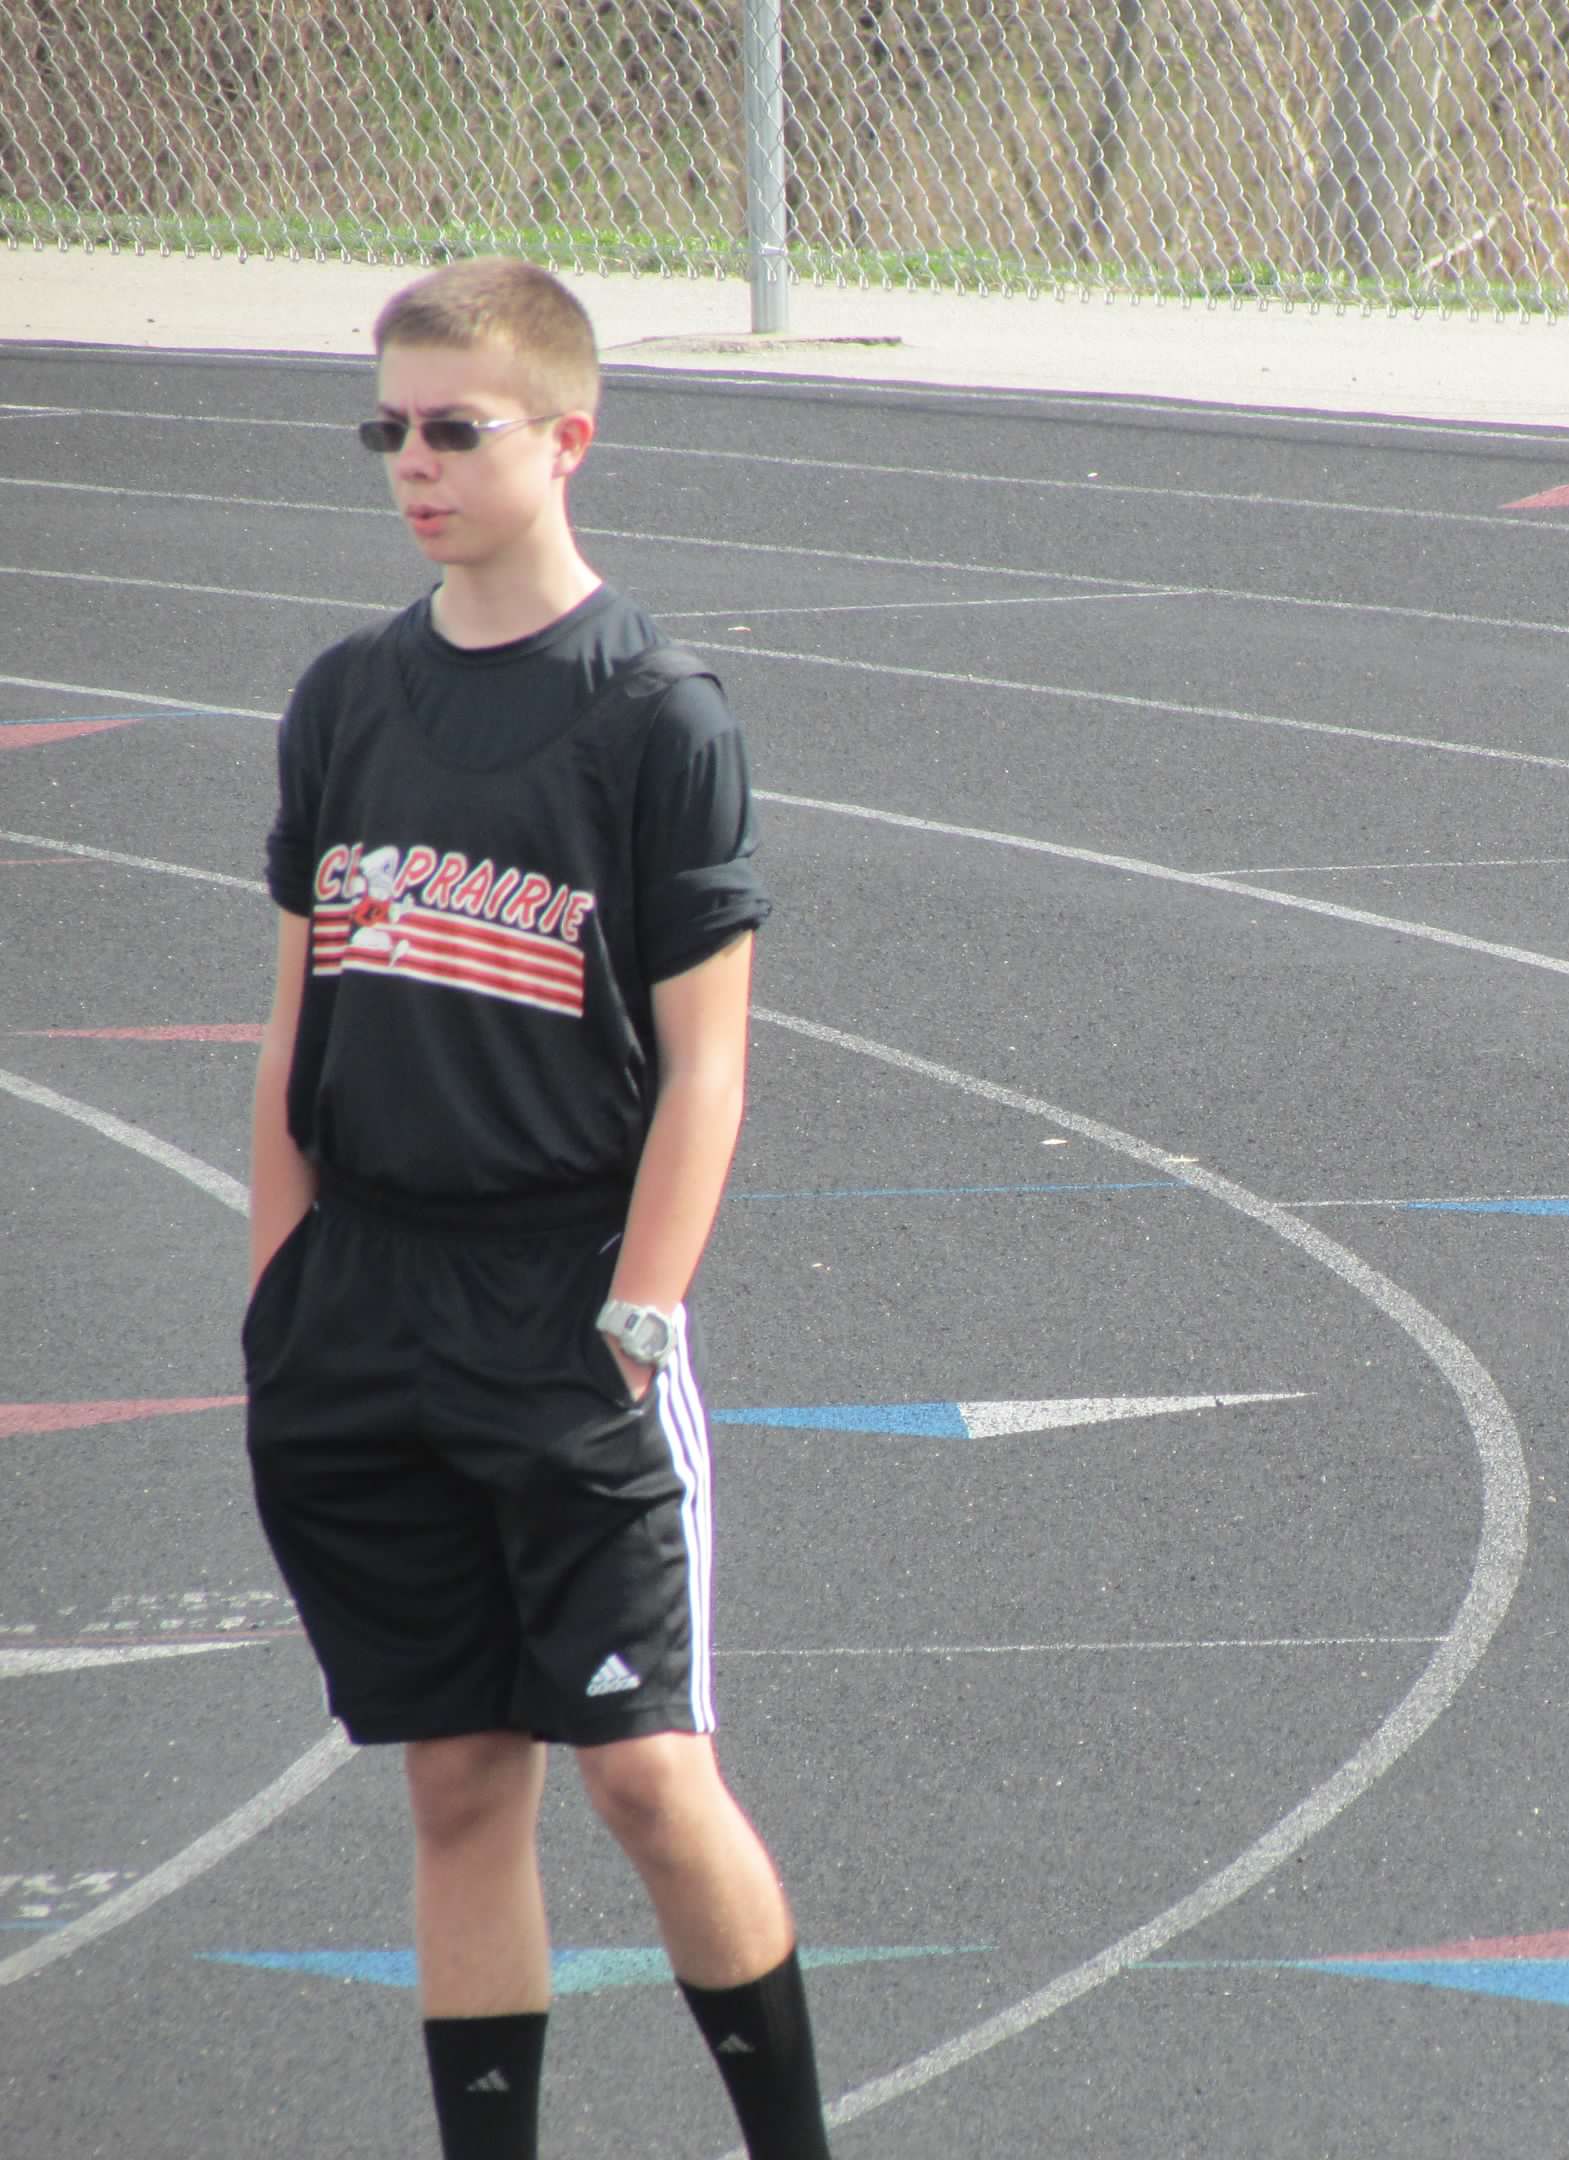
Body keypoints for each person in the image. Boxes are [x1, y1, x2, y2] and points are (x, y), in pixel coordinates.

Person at [242, 257, 830, 2160]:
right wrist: (280, 1301)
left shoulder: (656, 712)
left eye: (453, 429)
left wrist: (638, 1318)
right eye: (387, 429)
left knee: (647, 1777)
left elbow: (710, 1068)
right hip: (365, 1305)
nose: (412, 463)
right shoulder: (346, 699)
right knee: (458, 1782)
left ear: (569, 439)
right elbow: (295, 1030)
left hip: (567, 1299)